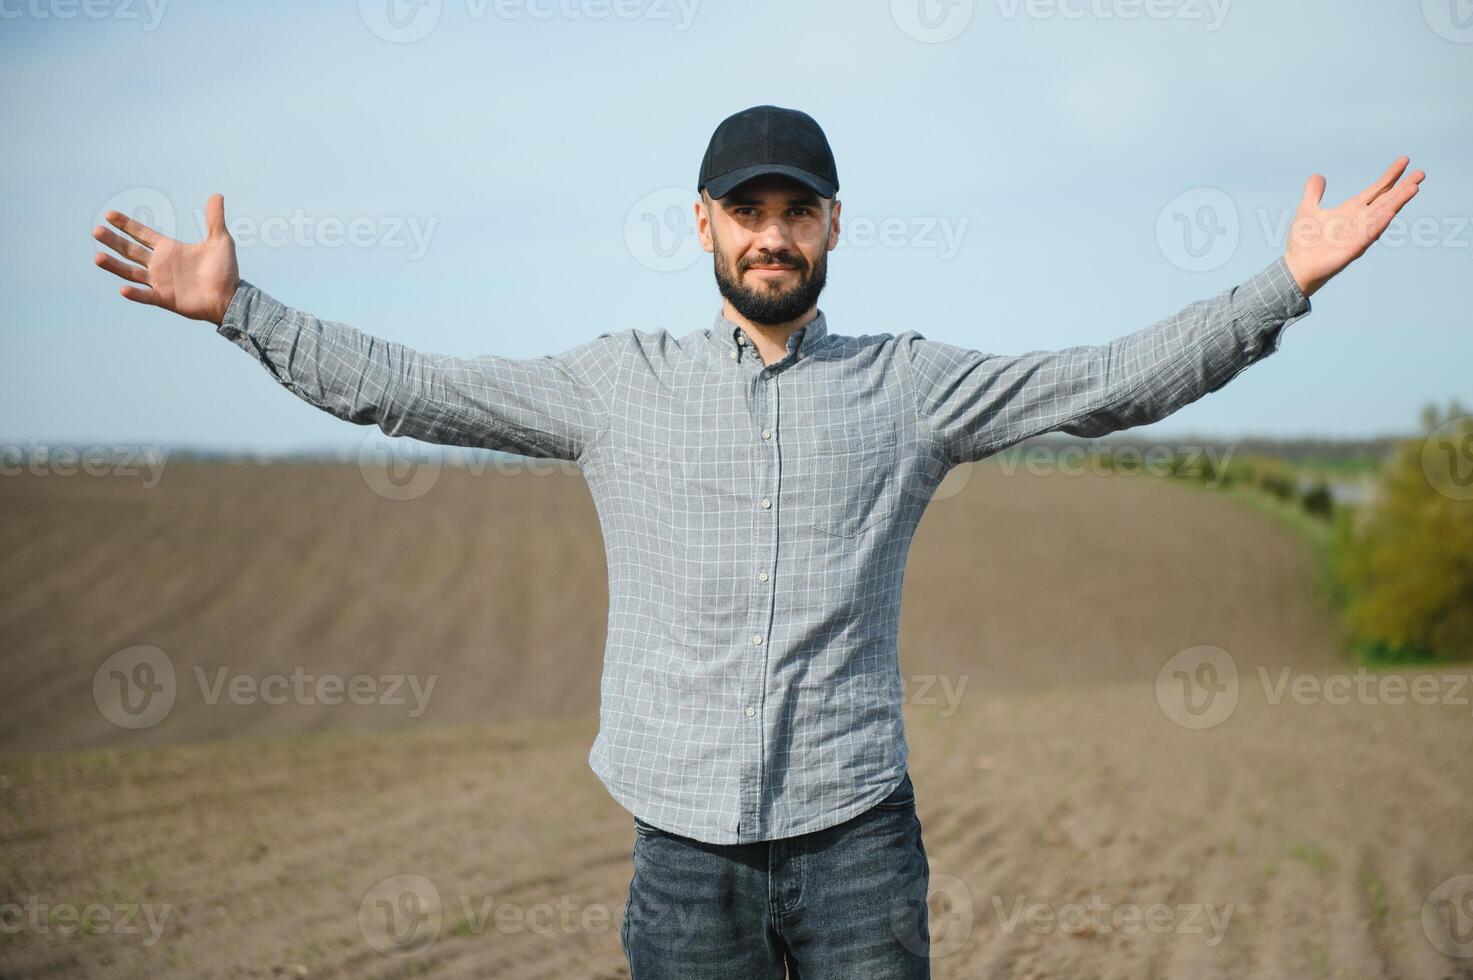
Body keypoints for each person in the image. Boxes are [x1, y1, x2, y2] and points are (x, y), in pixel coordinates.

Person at [90, 104, 1424, 979]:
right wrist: (240, 311)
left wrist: (1280, 286)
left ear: (832, 225)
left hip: (857, 846)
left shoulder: (912, 385)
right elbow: (403, 383)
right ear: (703, 225)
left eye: (796, 210)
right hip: (680, 853)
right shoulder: (613, 385)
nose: (770, 233)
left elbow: (1107, 380)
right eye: (746, 210)